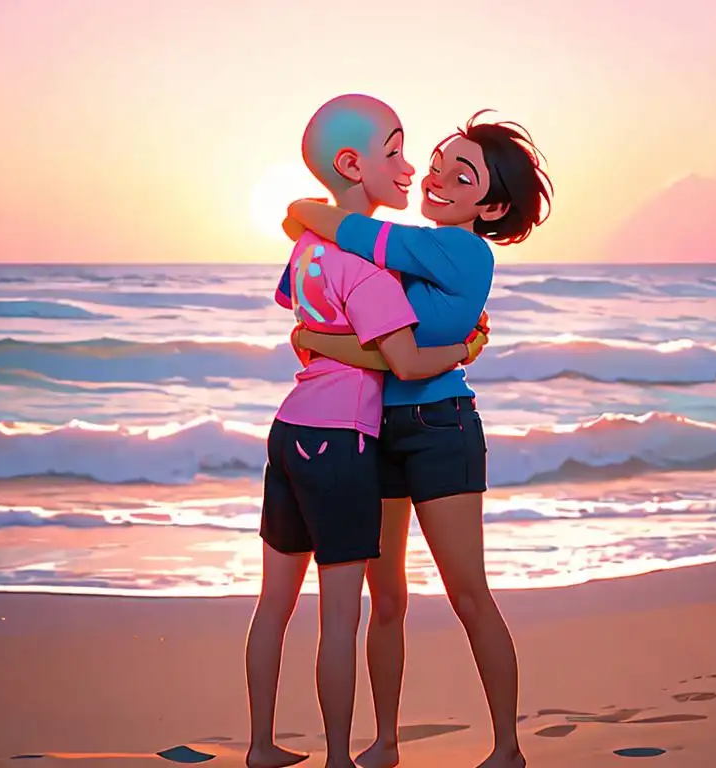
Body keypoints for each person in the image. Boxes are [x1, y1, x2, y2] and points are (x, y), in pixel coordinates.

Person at [280, 111, 553, 768]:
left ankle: (508, 749)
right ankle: (387, 742)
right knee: (389, 599)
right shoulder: (412, 249)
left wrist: (312, 331)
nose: (437, 179)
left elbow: (391, 352)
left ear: (489, 204)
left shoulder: (461, 249)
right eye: (437, 164)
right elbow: (370, 317)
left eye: (462, 176)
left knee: (468, 594)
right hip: (375, 428)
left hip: (439, 430)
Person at [245, 94, 490, 768]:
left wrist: (310, 333)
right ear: (352, 163)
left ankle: (261, 746)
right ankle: (337, 760)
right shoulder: (371, 266)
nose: (410, 170)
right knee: (341, 615)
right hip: (344, 441)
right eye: (395, 154)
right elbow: (404, 360)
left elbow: (297, 312)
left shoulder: (305, 246)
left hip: (288, 430)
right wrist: (465, 349)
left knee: (273, 604)